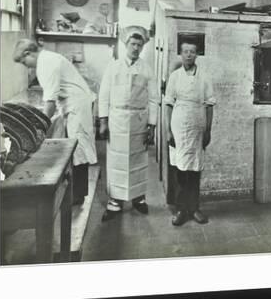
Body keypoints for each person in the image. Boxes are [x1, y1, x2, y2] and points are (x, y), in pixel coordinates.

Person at [13, 39, 97, 205]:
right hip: (73, 104)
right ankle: (77, 192)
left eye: (24, 62)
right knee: (76, 149)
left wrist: (40, 127)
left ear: (28, 54)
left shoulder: (46, 64)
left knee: (79, 149)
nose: (26, 66)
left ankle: (78, 196)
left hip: (76, 106)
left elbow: (50, 101)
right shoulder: (47, 59)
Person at [98, 31, 158, 221]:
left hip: (139, 120)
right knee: (116, 161)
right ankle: (114, 203)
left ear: (142, 47)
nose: (135, 48)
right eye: (132, 44)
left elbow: (154, 99)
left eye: (139, 45)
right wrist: (103, 121)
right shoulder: (113, 67)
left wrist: (152, 125)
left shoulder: (147, 70)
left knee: (138, 161)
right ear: (126, 44)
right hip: (117, 120)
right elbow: (104, 95)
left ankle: (138, 198)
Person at [165, 40, 216, 226]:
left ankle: (194, 209)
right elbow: (168, 104)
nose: (188, 55)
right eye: (185, 51)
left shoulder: (204, 77)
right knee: (179, 169)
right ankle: (180, 209)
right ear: (181, 53)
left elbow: (210, 105)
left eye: (192, 51)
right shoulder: (175, 77)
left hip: (198, 125)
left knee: (194, 169)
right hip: (178, 125)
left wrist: (208, 130)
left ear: (196, 55)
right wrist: (169, 130)